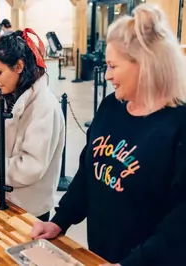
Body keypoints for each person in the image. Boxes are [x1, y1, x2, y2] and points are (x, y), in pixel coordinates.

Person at [31, 4, 186, 266]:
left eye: (113, 66)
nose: (108, 75)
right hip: (100, 255)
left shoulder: (178, 125)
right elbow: (88, 172)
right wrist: (60, 220)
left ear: (145, 64)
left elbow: (180, 223)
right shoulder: (111, 106)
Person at [0, 28, 65, 221]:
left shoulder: (45, 106)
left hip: (28, 209)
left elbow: (30, 167)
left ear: (19, 66)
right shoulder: (2, 97)